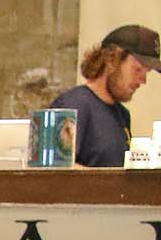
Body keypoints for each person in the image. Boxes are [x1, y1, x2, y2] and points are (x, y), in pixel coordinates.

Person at [52, 25, 157, 169]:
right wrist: (104, 180)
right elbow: (55, 167)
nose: (143, 80)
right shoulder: (73, 106)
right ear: (111, 61)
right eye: (137, 69)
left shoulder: (123, 115)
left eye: (147, 72)